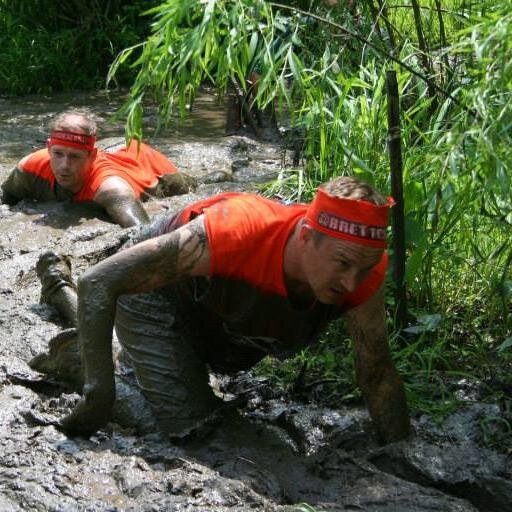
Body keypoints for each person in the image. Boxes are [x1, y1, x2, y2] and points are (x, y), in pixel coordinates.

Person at [37, 176, 410, 444]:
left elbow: (376, 370)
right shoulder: (238, 233)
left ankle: (96, 329)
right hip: (154, 293)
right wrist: (99, 395)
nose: (351, 283)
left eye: (364, 269)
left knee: (198, 380)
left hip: (217, 317)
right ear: (307, 237)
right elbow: (101, 283)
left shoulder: (362, 270)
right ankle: (80, 357)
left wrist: (398, 450)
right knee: (191, 427)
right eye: (342, 264)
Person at [1, 108, 196, 227]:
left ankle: (217, 176)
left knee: (193, 186)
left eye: (75, 157)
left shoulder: (111, 190)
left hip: (147, 164)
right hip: (113, 149)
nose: (65, 166)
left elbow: (142, 233)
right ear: (49, 148)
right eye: (58, 154)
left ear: (92, 156)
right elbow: (4, 200)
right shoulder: (29, 168)